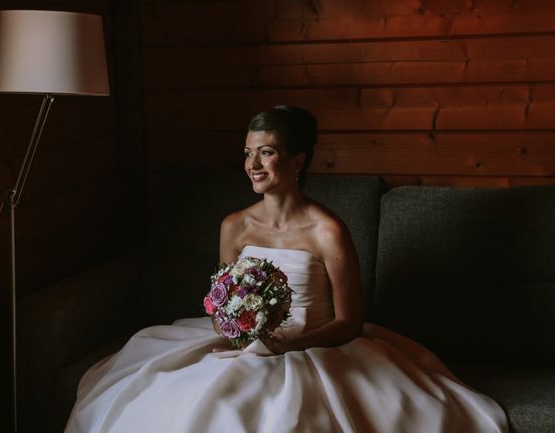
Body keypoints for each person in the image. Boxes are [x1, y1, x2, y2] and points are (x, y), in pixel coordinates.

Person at [65, 106, 508, 432]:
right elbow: (223, 302)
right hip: (243, 342)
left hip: (315, 345)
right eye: (247, 153)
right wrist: (240, 334)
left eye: (266, 153)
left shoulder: (327, 230)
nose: (252, 165)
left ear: (297, 161)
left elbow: (350, 322)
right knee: (175, 397)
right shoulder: (234, 225)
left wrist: (286, 346)